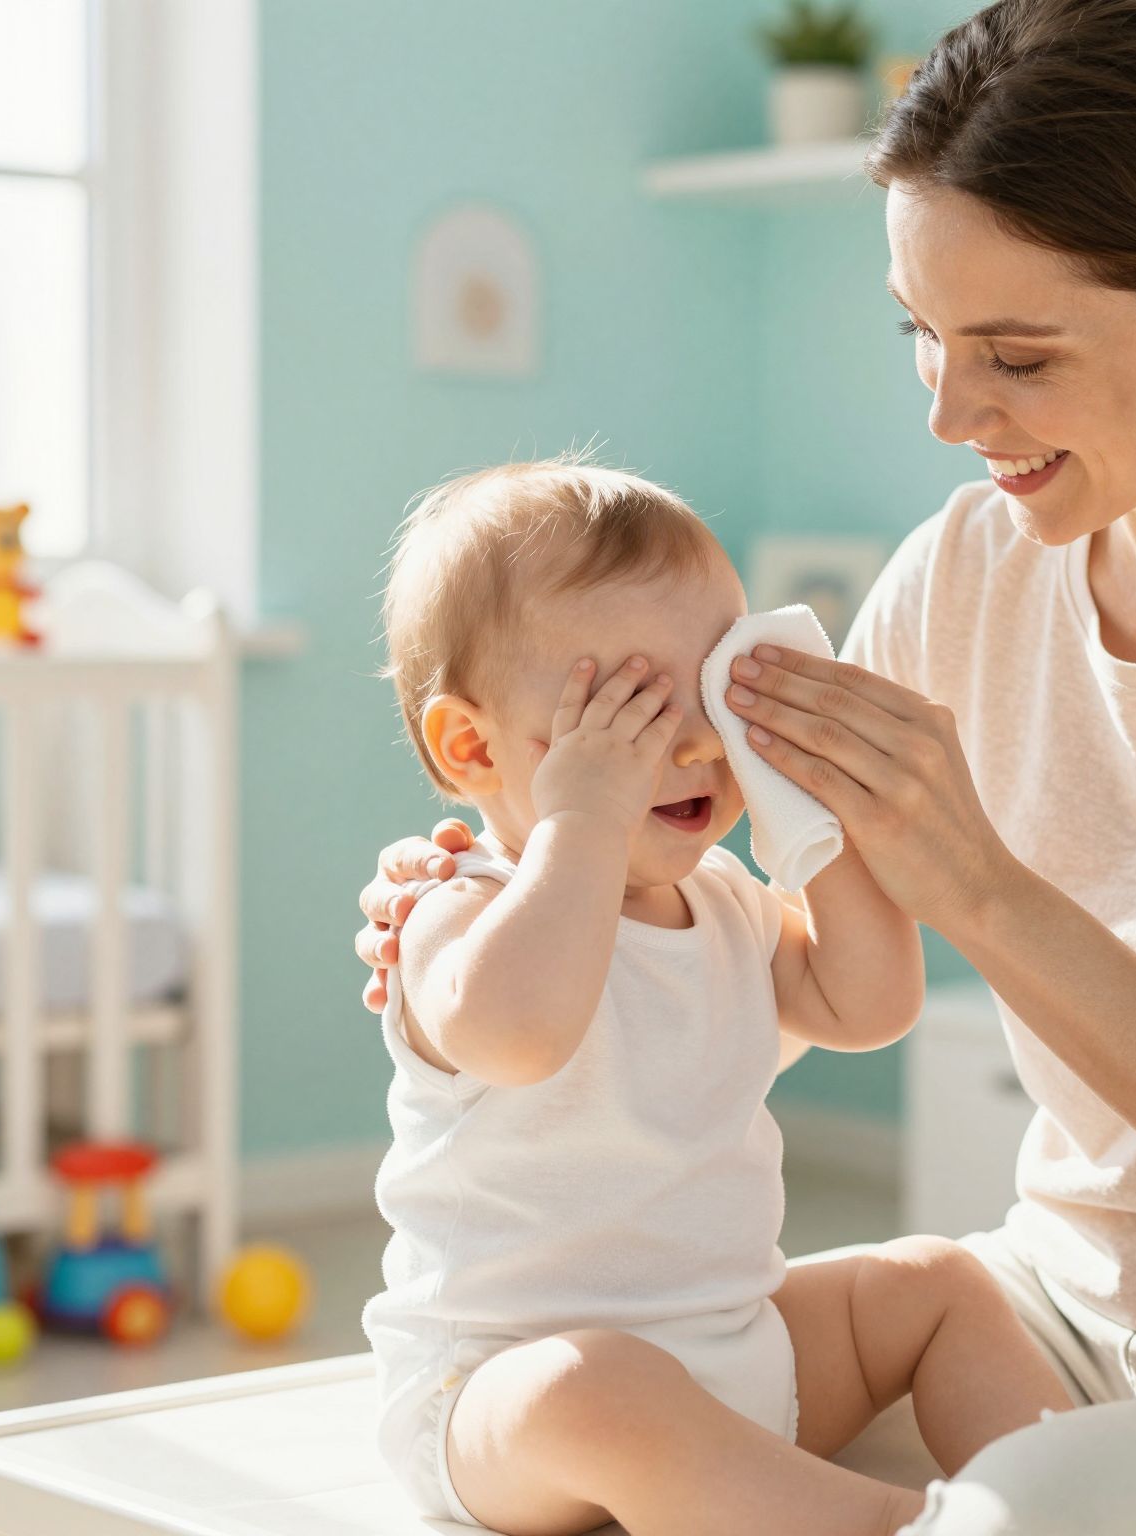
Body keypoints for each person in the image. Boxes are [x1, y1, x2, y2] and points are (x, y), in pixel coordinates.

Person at [356, 2, 1136, 1530]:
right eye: (923, 333)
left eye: (1017, 355)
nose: (952, 414)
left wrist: (980, 883)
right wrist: (497, 879)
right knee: (614, 1403)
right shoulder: (968, 569)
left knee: (1029, 1516)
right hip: (1057, 1314)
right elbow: (688, 870)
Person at [361, 457, 1071, 1536]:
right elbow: (521, 1034)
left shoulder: (729, 903)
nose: (692, 742)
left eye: (713, 694)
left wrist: (802, 796)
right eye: (624, 716)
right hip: (506, 1401)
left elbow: (870, 1002)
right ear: (472, 747)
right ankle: (916, 1528)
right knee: (594, 1390)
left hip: (741, 1356)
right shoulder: (456, 909)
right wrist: (582, 824)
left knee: (937, 1281)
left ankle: (1078, 1496)